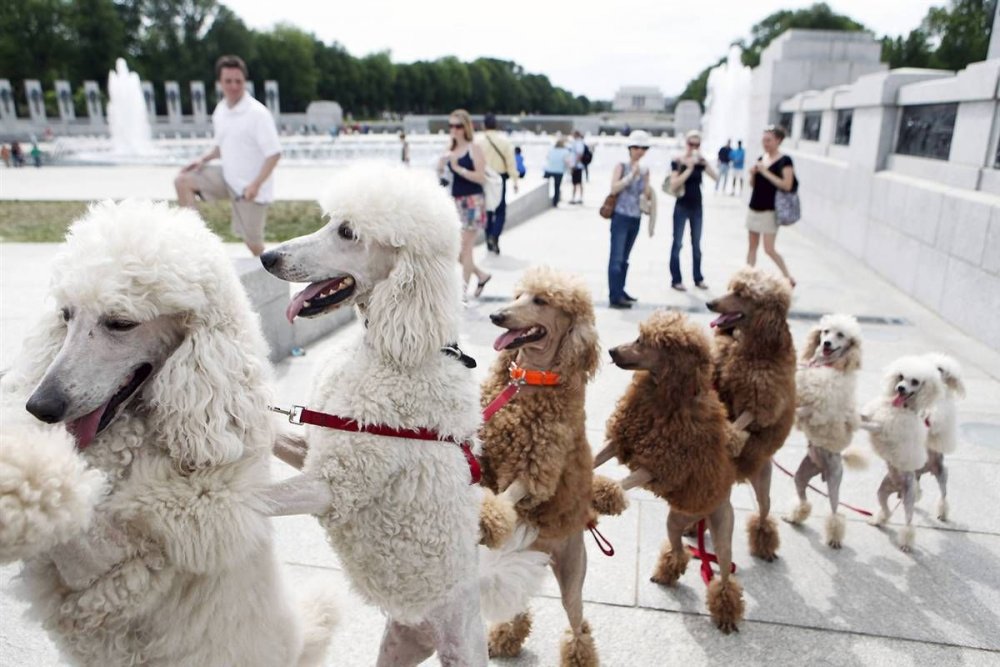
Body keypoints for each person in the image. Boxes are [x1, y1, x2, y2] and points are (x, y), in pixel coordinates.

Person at [174, 54, 281, 257]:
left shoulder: (258, 113)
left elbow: (274, 154)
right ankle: (196, 243)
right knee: (182, 181)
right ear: (220, 83)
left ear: (245, 82)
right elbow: (221, 147)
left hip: (251, 189)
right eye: (228, 81)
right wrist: (202, 160)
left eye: (238, 81)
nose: (233, 86)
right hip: (227, 177)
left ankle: (275, 281)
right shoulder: (221, 110)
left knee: (255, 247)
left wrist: (255, 185)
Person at [437, 108, 491, 300]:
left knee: (465, 248)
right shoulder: (449, 149)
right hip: (455, 203)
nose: (454, 130)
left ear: (466, 127)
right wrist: (441, 166)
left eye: (458, 126)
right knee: (457, 250)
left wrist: (458, 168)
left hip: (473, 201)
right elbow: (442, 177)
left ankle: (462, 294)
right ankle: (481, 275)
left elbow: (481, 177)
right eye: (451, 126)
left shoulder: (473, 147)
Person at [607, 130, 654, 309]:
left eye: (643, 148)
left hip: (636, 216)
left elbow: (646, 193)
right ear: (630, 148)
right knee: (616, 257)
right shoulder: (622, 166)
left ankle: (621, 289)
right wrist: (631, 176)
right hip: (620, 216)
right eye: (636, 147)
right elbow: (614, 188)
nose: (639, 151)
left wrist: (647, 184)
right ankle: (615, 295)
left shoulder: (645, 169)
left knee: (625, 258)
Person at [746, 125, 796, 287]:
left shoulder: (785, 161)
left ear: (778, 141)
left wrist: (765, 172)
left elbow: (787, 185)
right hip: (754, 207)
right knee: (752, 246)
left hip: (770, 210)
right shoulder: (762, 158)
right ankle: (748, 277)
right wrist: (753, 174)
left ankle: (788, 277)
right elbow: (753, 185)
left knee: (769, 249)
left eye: (768, 140)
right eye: (763, 140)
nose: (765, 143)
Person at [668, 129, 718, 291]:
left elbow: (716, 178)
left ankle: (698, 278)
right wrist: (688, 169)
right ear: (686, 143)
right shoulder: (678, 161)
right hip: (681, 206)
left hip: (697, 206)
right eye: (692, 144)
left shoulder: (700, 162)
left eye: (698, 144)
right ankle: (676, 279)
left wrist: (705, 163)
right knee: (677, 243)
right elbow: (674, 184)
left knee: (696, 244)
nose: (694, 147)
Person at [477, 112, 519, 254]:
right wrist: (515, 180)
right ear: (496, 125)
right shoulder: (505, 142)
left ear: (484, 125)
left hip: (484, 179)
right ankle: (495, 236)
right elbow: (511, 163)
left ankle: (489, 237)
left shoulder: (478, 142)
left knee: (487, 211)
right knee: (500, 211)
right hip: (500, 179)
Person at [543, 138, 574, 207]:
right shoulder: (565, 151)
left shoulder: (551, 150)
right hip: (559, 171)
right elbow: (567, 162)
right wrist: (570, 170)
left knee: (544, 186)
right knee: (557, 187)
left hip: (549, 170)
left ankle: (542, 199)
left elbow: (547, 158)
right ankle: (555, 202)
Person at [569, 130, 586, 204]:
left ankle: (576, 198)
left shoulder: (578, 143)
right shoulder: (577, 142)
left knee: (576, 183)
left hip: (577, 166)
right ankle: (577, 197)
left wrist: (574, 165)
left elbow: (579, 154)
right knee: (577, 182)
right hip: (577, 165)